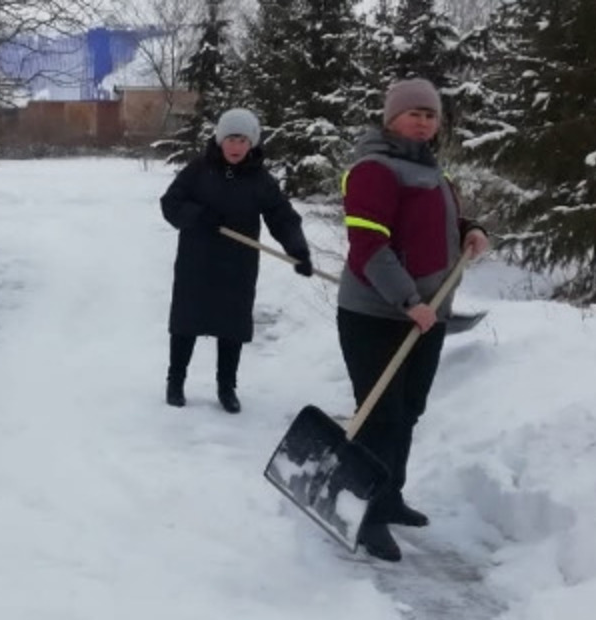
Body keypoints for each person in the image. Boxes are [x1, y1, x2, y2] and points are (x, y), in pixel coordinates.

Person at [337, 78, 489, 562]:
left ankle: (390, 495)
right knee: (379, 415)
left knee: (408, 411)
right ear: (390, 118)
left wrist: (472, 230)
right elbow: (369, 248)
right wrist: (407, 301)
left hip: (426, 315)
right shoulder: (373, 169)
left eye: (431, 114)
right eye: (414, 113)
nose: (423, 121)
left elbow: (438, 225)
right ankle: (366, 514)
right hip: (377, 313)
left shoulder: (433, 172)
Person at [159, 108, 314, 414]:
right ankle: (175, 381)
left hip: (237, 265)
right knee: (186, 322)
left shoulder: (260, 179)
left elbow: (282, 216)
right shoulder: (199, 170)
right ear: (220, 139)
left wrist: (298, 250)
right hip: (197, 260)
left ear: (252, 143)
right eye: (231, 138)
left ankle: (226, 387)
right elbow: (170, 203)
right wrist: (199, 216)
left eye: (243, 140)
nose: (236, 146)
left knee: (232, 325)